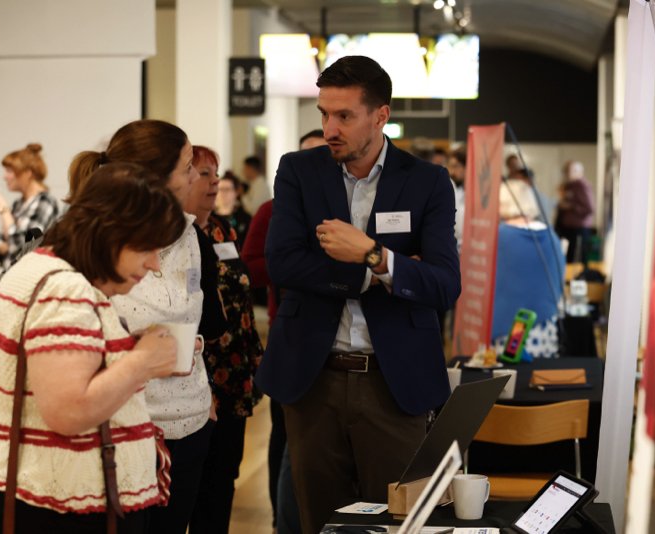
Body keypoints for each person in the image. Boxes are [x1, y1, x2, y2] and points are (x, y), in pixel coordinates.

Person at [256, 56, 461, 533]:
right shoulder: (298, 171)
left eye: (344, 116)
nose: (330, 128)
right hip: (314, 379)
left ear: (380, 116)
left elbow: (443, 285)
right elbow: (283, 263)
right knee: (319, 522)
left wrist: (372, 253)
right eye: (324, 114)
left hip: (394, 384)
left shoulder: (426, 181)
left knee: (398, 523)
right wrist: (372, 277)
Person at [0, 163, 185, 533]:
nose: (154, 263)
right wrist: (141, 362)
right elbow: (68, 411)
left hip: (36, 499)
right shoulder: (65, 290)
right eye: (147, 246)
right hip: (48, 510)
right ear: (109, 233)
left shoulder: (45, 271)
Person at [70, 120, 227, 534]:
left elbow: (199, 319)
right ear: (155, 179)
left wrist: (201, 388)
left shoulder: (193, 236)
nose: (199, 177)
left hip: (190, 419)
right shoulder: (96, 244)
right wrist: (139, 351)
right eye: (189, 167)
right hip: (127, 424)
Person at [242, 128, 326, 534]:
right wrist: (296, 263)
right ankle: (282, 520)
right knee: (285, 435)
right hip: (288, 333)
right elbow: (254, 267)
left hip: (334, 338)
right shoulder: (272, 211)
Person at [185, 145, 263, 533]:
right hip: (198, 378)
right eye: (203, 173)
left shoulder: (222, 230)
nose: (215, 181)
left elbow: (242, 302)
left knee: (222, 481)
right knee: (193, 485)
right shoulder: (174, 238)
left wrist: (255, 357)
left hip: (234, 377)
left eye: (216, 173)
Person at [492, 180, 565, 359]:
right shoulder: (552, 235)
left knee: (507, 383)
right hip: (545, 327)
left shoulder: (499, 236)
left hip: (508, 330)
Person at [0, 143, 63, 270]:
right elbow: (0, 243)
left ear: (28, 173)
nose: (5, 177)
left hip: (31, 279)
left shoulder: (45, 203)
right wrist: (7, 244)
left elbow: (24, 245)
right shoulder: (19, 204)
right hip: (12, 276)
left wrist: (2, 206)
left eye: (9, 171)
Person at [555, 160, 595, 263]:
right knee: (567, 259)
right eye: (567, 170)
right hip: (567, 229)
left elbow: (589, 208)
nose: (569, 173)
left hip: (578, 230)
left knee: (577, 260)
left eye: (572, 170)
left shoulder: (582, 185)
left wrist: (571, 206)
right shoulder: (568, 186)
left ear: (580, 172)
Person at [214, 171, 251, 251]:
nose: (223, 193)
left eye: (227, 189)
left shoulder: (246, 219)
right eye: (220, 189)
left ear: (236, 192)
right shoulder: (209, 219)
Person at [447, 148, 466, 252]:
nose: (452, 171)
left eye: (456, 166)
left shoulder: (480, 195)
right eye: (450, 166)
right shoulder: (455, 189)